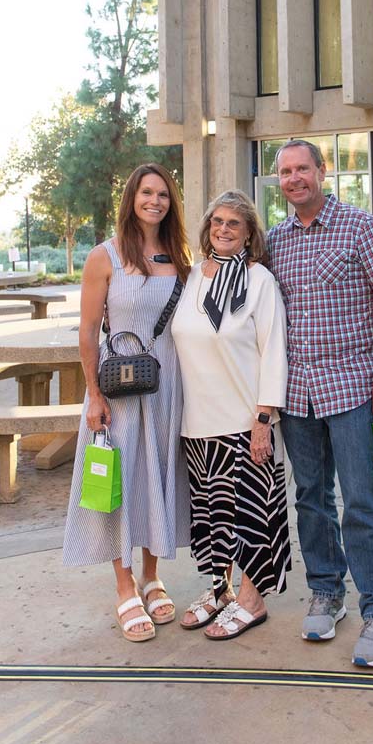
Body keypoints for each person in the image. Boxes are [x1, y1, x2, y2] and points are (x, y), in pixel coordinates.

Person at [267, 139, 373, 669]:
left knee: (364, 500)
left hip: (351, 386)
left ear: (323, 172)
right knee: (311, 499)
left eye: (303, 168)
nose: (295, 178)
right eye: (286, 171)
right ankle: (327, 591)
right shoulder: (275, 240)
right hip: (296, 393)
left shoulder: (359, 225)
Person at [63, 164, 191, 643]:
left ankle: (152, 574)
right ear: (131, 198)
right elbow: (87, 332)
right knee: (121, 479)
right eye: (146, 192)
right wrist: (93, 395)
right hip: (117, 389)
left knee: (157, 476)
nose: (154, 200)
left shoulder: (179, 256)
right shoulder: (105, 256)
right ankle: (123, 585)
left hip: (167, 387)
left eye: (162, 194)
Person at [172, 189, 291, 641]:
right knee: (212, 514)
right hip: (197, 422)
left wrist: (264, 420)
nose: (223, 229)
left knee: (252, 516)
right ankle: (220, 589)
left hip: (244, 421)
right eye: (217, 221)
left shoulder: (260, 280)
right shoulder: (191, 279)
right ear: (207, 228)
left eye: (234, 224)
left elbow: (273, 351)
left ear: (248, 234)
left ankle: (252, 598)